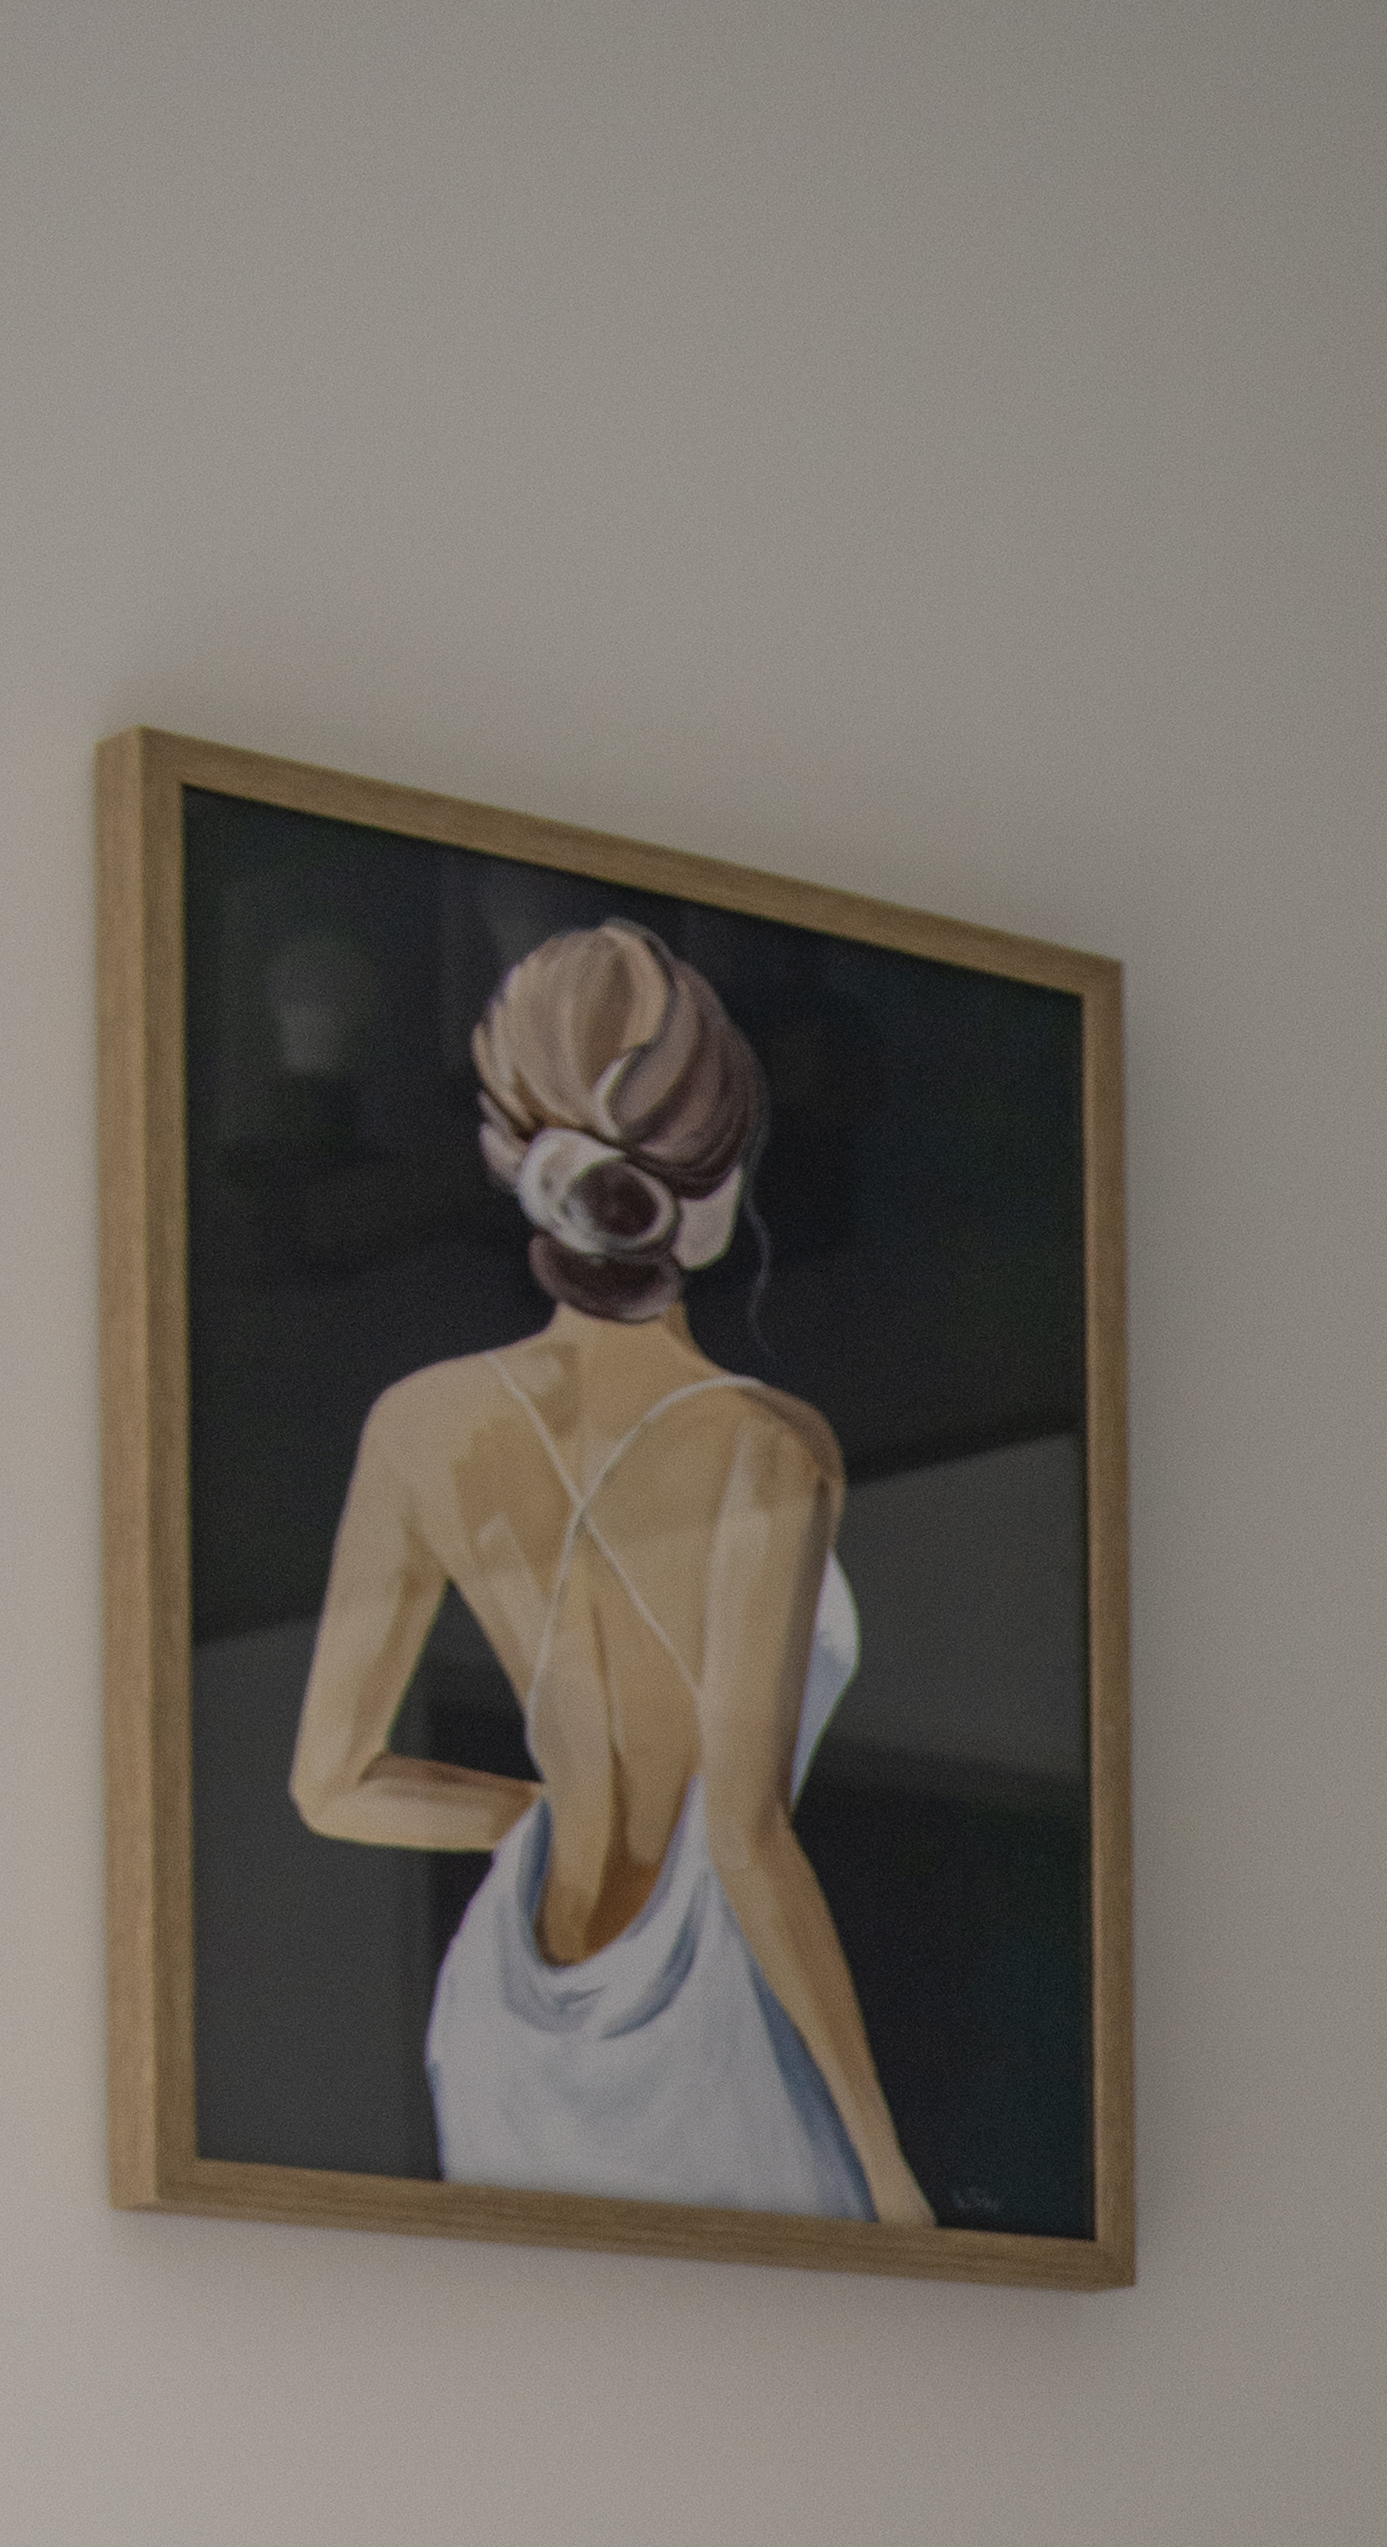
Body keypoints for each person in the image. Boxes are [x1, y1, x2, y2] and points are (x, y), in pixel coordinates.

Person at [288, 925, 932, 2231]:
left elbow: (333, 1786)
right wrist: (890, 2170)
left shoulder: (419, 1425)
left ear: (511, 1159)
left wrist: (544, 1814)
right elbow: (746, 1840)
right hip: (707, 2023)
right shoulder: (765, 1447)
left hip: (506, 2020)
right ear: (718, 1190)